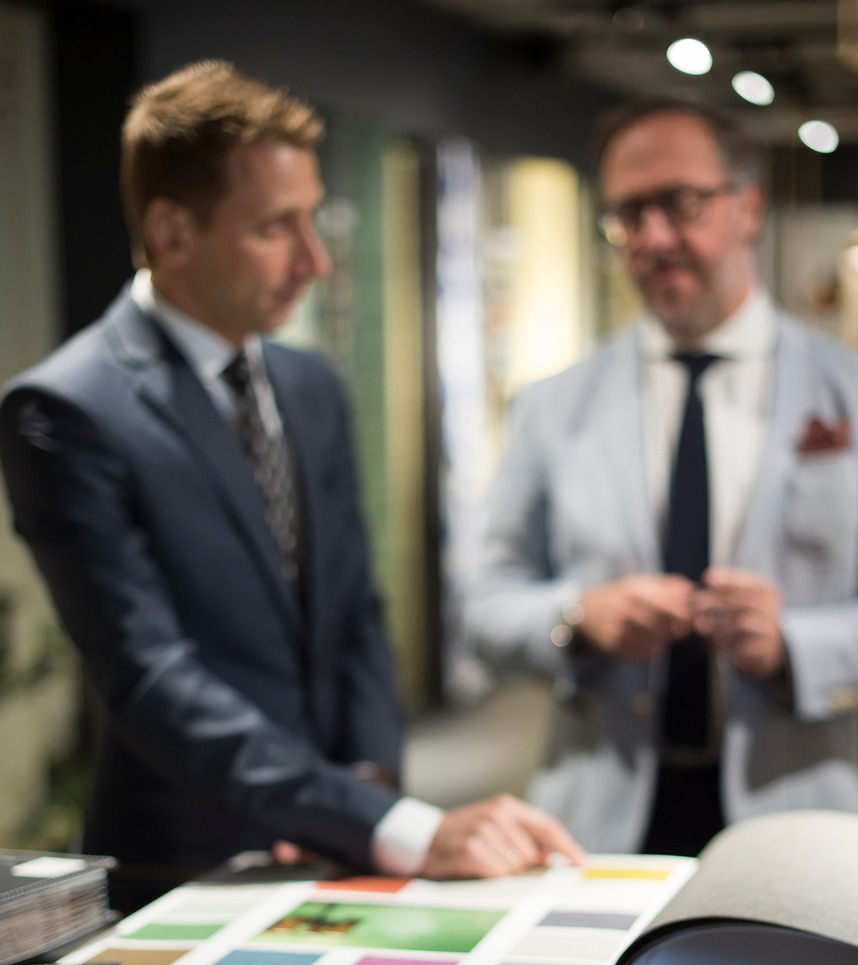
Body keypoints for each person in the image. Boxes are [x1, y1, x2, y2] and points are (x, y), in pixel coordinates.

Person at [0, 61, 582, 907]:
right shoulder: (67, 409)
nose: (314, 259)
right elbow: (149, 675)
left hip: (345, 844)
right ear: (171, 231)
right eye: (276, 226)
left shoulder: (311, 385)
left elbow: (355, 613)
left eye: (312, 219)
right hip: (187, 869)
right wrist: (385, 822)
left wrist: (364, 789)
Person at [464, 97, 858, 856]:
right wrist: (577, 618)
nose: (653, 237)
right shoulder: (552, 405)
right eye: (628, 214)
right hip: (596, 823)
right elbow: (483, 606)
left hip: (797, 823)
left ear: (748, 207)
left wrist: (795, 643)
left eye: (680, 203)